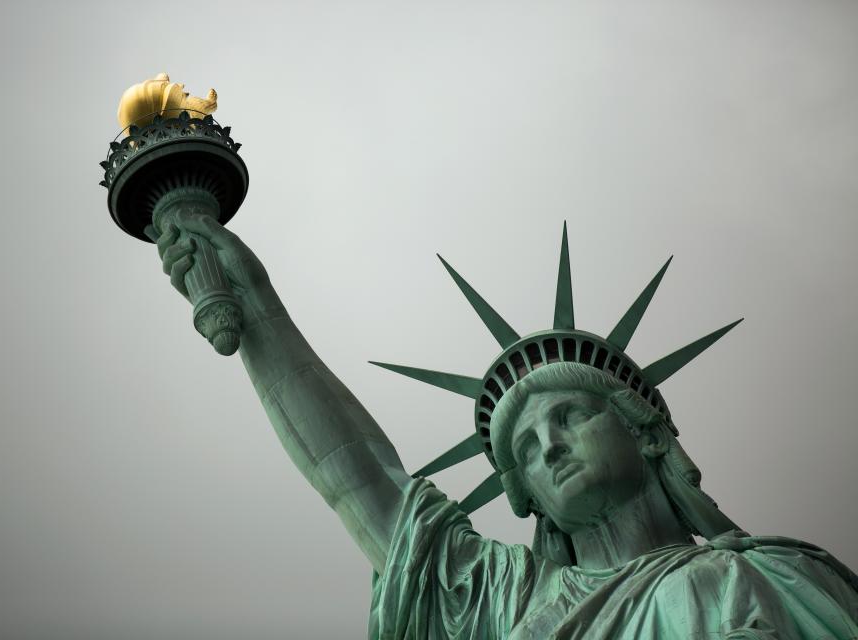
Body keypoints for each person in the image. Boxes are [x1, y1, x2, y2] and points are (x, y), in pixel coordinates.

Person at [146, 214, 858, 639]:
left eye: (569, 416)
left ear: (646, 431)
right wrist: (258, 307)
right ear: (528, 499)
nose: (547, 446)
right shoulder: (505, 601)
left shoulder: (780, 579)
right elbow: (357, 484)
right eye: (523, 449)